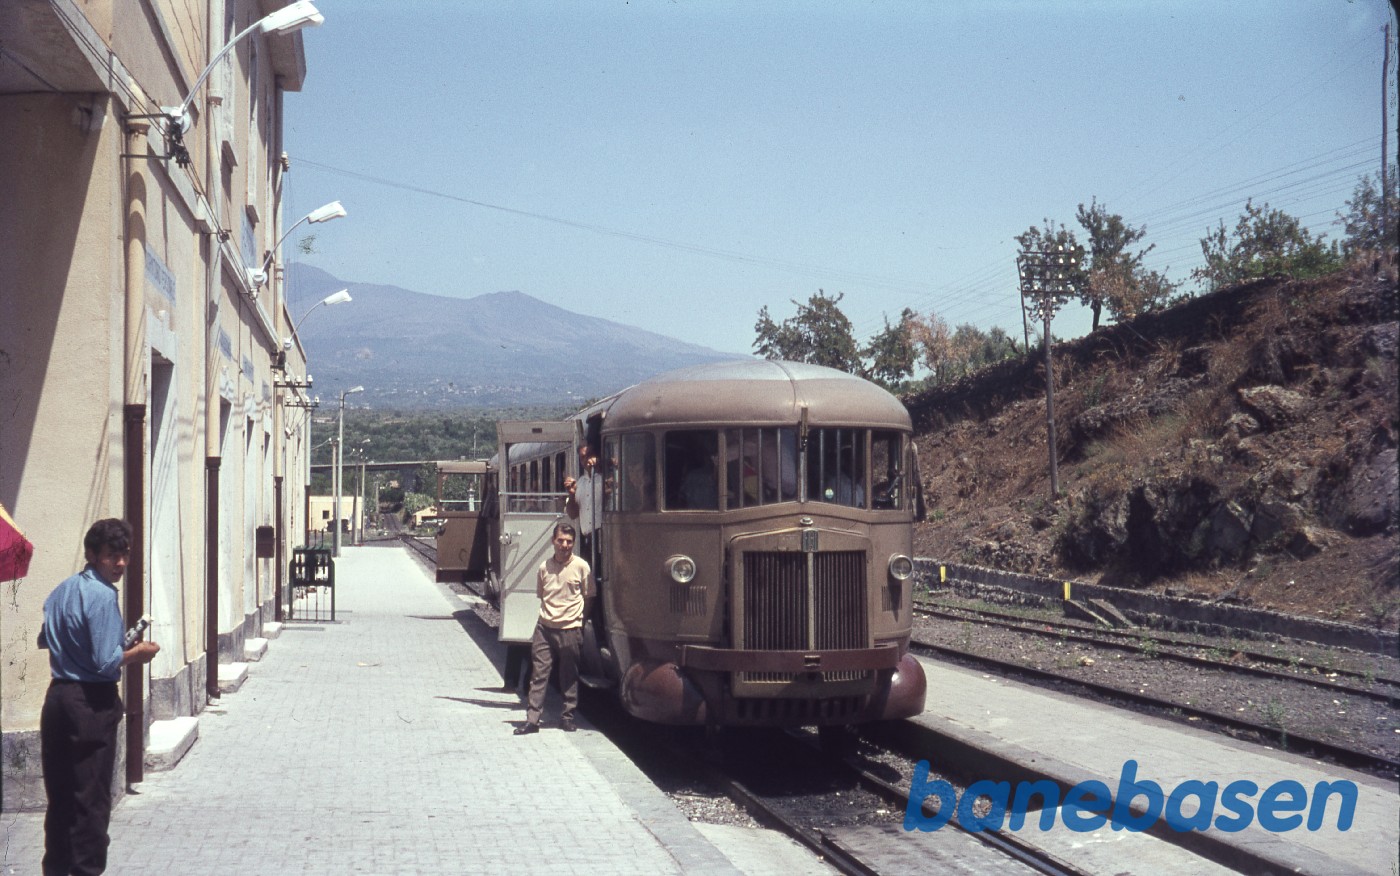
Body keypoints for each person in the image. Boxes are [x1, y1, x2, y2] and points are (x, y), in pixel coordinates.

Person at [38, 518, 160, 876]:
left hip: (58, 698)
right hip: (89, 703)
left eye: (124, 555)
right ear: (92, 555)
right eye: (111, 556)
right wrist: (137, 654)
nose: (120, 564)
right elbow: (107, 664)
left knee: (60, 800)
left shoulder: (61, 590)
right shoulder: (103, 595)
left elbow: (46, 638)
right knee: (90, 802)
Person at [515, 522, 593, 735]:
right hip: (544, 629)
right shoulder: (544, 567)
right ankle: (532, 721)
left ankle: (567, 718)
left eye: (569, 542)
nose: (564, 545)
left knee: (569, 675)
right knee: (539, 675)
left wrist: (580, 622)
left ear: (573, 543)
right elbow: (543, 596)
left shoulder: (582, 567)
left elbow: (589, 597)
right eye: (561, 541)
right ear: (553, 541)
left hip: (570, 629)